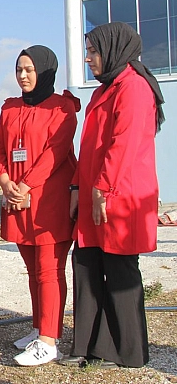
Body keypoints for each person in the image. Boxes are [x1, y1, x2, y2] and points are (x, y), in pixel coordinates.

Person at [60, 22, 165, 369]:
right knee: (88, 267)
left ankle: (127, 351)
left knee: (120, 272)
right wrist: (77, 187)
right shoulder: (102, 91)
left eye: (93, 51)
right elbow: (88, 146)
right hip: (94, 194)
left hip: (119, 197)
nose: (88, 58)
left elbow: (124, 144)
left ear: (114, 49)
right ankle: (90, 346)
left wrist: (103, 189)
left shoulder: (134, 88)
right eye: (88, 51)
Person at [0, 45, 80, 366]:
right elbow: (0, 151)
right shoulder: (10, 108)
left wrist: (27, 184)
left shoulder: (62, 108)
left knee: (49, 270)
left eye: (29, 70)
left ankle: (49, 340)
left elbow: (56, 152)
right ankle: (38, 327)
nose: (23, 76)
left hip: (48, 199)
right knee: (32, 271)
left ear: (44, 71)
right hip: (17, 198)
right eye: (19, 70)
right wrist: (5, 183)